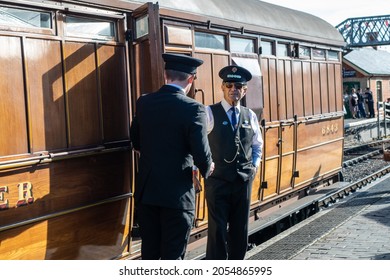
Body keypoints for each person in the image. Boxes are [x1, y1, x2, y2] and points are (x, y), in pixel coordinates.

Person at [130, 53, 214, 260]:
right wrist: (208, 166)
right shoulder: (194, 108)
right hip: (177, 196)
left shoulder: (145, 102)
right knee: (173, 255)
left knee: (149, 253)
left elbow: (135, 141)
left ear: (165, 75)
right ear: (191, 79)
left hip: (148, 192)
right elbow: (200, 151)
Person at [204, 65, 263, 260]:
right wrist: (200, 169)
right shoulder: (209, 113)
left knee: (240, 229)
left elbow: (257, 145)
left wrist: (255, 165)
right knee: (217, 230)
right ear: (222, 87)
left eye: (238, 86)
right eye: (229, 85)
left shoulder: (250, 115)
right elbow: (198, 144)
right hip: (217, 181)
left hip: (242, 181)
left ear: (244, 90)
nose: (233, 89)